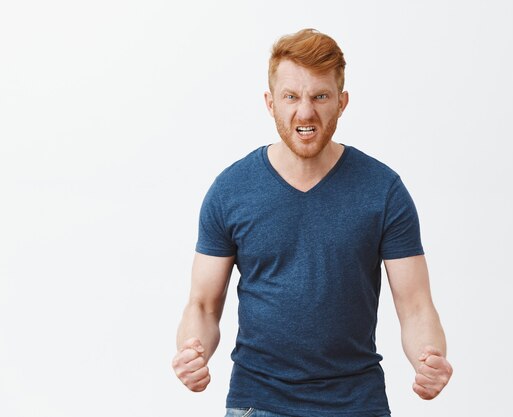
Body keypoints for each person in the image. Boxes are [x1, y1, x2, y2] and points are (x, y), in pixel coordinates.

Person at [171, 28, 453, 417]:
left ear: (342, 102)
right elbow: (202, 305)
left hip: (357, 403)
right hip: (259, 402)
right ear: (270, 103)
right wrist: (191, 350)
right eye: (291, 96)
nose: (305, 112)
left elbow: (416, 306)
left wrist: (428, 357)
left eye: (320, 96)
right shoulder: (230, 190)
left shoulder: (383, 190)